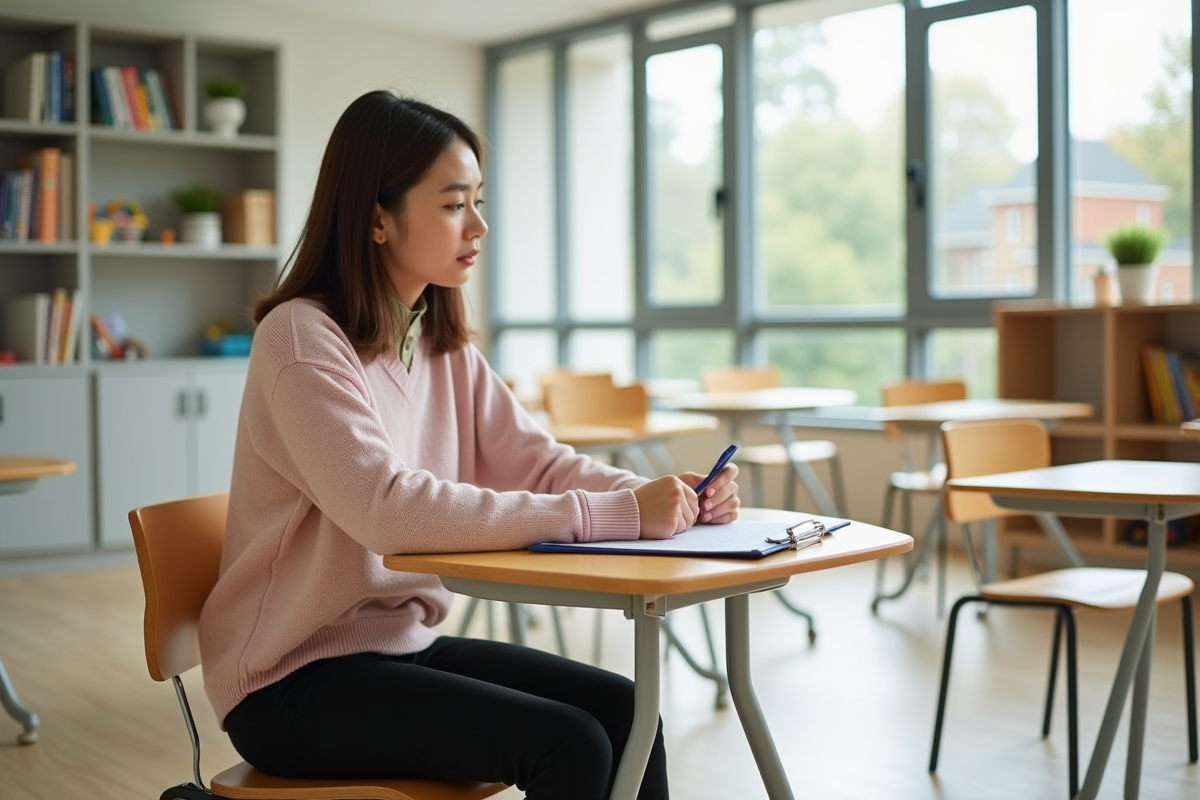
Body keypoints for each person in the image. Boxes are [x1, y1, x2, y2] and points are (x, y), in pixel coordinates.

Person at [197, 89, 740, 800]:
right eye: (455, 204)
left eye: (479, 201)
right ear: (377, 219)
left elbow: (542, 463)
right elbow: (385, 509)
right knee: (568, 743)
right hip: (288, 681)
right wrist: (615, 515)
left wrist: (664, 500)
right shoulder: (301, 340)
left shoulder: (439, 344)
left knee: (628, 712)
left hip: (399, 645)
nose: (479, 225)